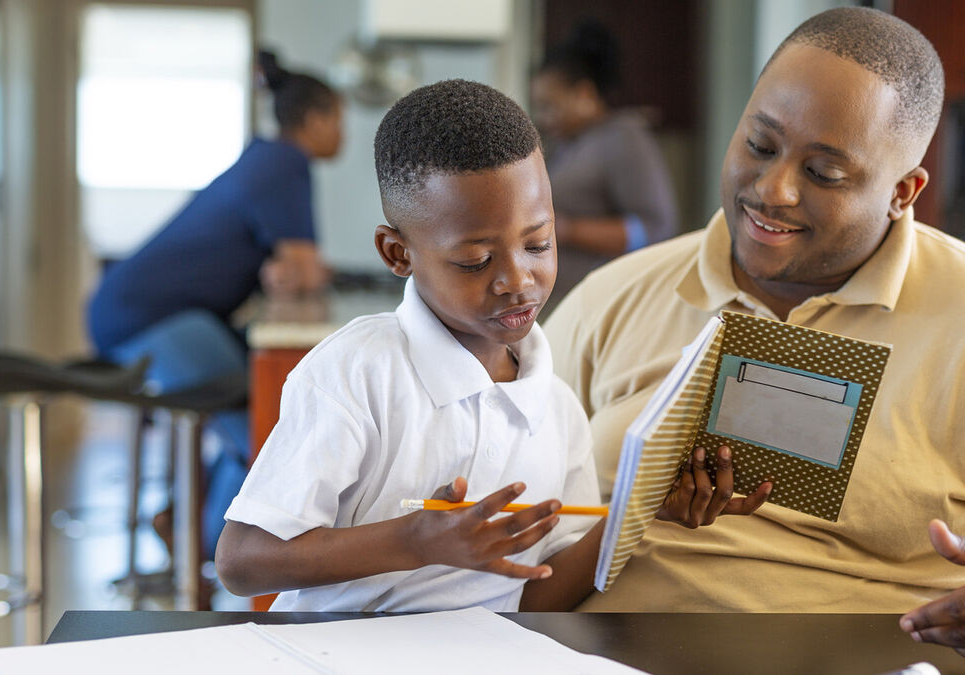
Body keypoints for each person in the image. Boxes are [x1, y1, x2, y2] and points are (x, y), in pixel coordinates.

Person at [545, 7, 965, 672]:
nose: (772, 190)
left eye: (823, 173)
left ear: (902, 192)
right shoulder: (610, 300)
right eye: (759, 147)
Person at [213, 79, 767, 613]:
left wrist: (640, 513)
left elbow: (535, 597)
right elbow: (241, 561)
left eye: (538, 244)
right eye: (476, 261)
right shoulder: (358, 373)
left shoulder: (556, 409)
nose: (517, 280)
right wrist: (415, 542)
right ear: (397, 253)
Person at [86, 50, 340, 559]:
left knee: (263, 408)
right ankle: (208, 549)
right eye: (339, 120)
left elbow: (291, 269)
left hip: (134, 308)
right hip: (151, 316)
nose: (343, 135)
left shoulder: (265, 158)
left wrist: (293, 269)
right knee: (268, 422)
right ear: (314, 119)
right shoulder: (285, 162)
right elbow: (303, 268)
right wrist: (300, 269)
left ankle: (185, 524)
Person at [530, 19, 678, 309]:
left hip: (602, 304)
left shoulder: (625, 138)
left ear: (585, 93)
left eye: (550, 105)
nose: (544, 118)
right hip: (563, 300)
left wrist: (567, 229)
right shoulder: (568, 142)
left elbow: (655, 228)